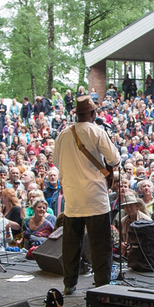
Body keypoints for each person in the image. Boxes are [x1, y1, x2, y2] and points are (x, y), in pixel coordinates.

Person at [52, 96, 119, 295]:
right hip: (95, 197)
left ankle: (69, 283)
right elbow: (115, 160)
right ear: (93, 113)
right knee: (100, 244)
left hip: (72, 197)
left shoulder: (64, 134)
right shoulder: (97, 131)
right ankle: (102, 284)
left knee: (71, 243)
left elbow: (56, 162)